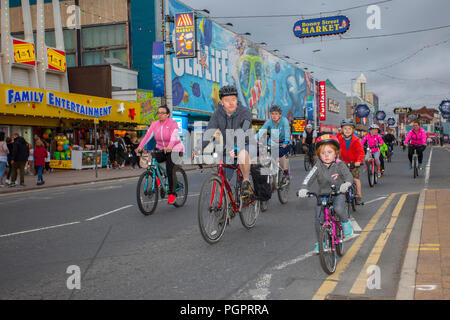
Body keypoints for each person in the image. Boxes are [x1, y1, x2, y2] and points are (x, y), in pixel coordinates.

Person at [193, 85, 254, 197]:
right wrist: (198, 148)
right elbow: (209, 132)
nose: (231, 103)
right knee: (224, 178)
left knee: (242, 154)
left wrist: (236, 147)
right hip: (229, 147)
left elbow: (244, 128)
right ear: (221, 102)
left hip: (246, 143)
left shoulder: (245, 112)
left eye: (233, 99)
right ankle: (227, 204)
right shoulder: (217, 114)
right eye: (227, 100)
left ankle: (246, 181)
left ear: (237, 100)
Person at [297, 134, 354, 253]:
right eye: (323, 153)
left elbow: (348, 176)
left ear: (336, 153)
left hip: (338, 193)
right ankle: (321, 243)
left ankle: (345, 223)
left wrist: (347, 183)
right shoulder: (317, 166)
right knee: (318, 219)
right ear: (318, 155)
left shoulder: (340, 164)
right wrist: (303, 188)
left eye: (329, 152)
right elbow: (308, 178)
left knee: (338, 207)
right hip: (323, 195)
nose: (326, 155)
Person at [136, 105, 185, 204]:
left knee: (170, 169)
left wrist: (170, 146)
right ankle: (160, 177)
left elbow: (174, 137)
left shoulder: (173, 123)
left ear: (168, 114)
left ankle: (172, 193)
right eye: (158, 113)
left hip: (175, 149)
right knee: (150, 160)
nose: (160, 115)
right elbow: (147, 136)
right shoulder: (154, 124)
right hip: (160, 149)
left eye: (162, 113)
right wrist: (140, 147)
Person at [255, 104, 291, 183]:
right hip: (273, 142)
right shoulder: (269, 121)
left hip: (284, 142)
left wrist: (286, 141)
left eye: (276, 114)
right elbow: (262, 131)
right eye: (272, 114)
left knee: (280, 153)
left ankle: (286, 172)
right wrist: (254, 139)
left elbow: (287, 132)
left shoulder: (284, 121)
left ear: (280, 114)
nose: (274, 116)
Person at [336, 118, 365, 205]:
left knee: (355, 179)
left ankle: (359, 195)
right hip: (342, 162)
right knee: (338, 179)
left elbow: (361, 152)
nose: (347, 130)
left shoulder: (356, 140)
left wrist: (359, 161)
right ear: (342, 130)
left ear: (353, 130)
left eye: (349, 129)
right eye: (345, 128)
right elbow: (334, 148)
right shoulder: (338, 138)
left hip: (354, 162)